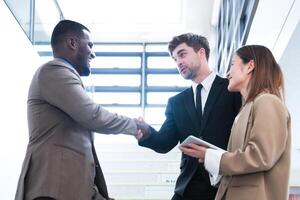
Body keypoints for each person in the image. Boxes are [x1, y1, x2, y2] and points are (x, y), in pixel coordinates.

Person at [15, 20, 138, 200]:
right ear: (72, 43)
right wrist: (135, 126)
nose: (93, 53)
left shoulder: (63, 78)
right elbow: (93, 115)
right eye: (89, 45)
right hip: (50, 191)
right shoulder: (54, 70)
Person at [135, 33, 241, 200]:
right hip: (188, 188)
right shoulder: (176, 102)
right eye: (175, 59)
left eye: (182, 54)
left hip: (224, 185)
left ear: (201, 53)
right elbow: (164, 142)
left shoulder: (231, 89)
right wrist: (147, 133)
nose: (178, 62)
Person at [179, 45, 291, 200]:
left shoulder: (267, 101)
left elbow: (260, 157)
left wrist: (211, 156)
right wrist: (209, 157)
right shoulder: (245, 110)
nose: (228, 73)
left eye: (232, 65)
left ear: (250, 66)